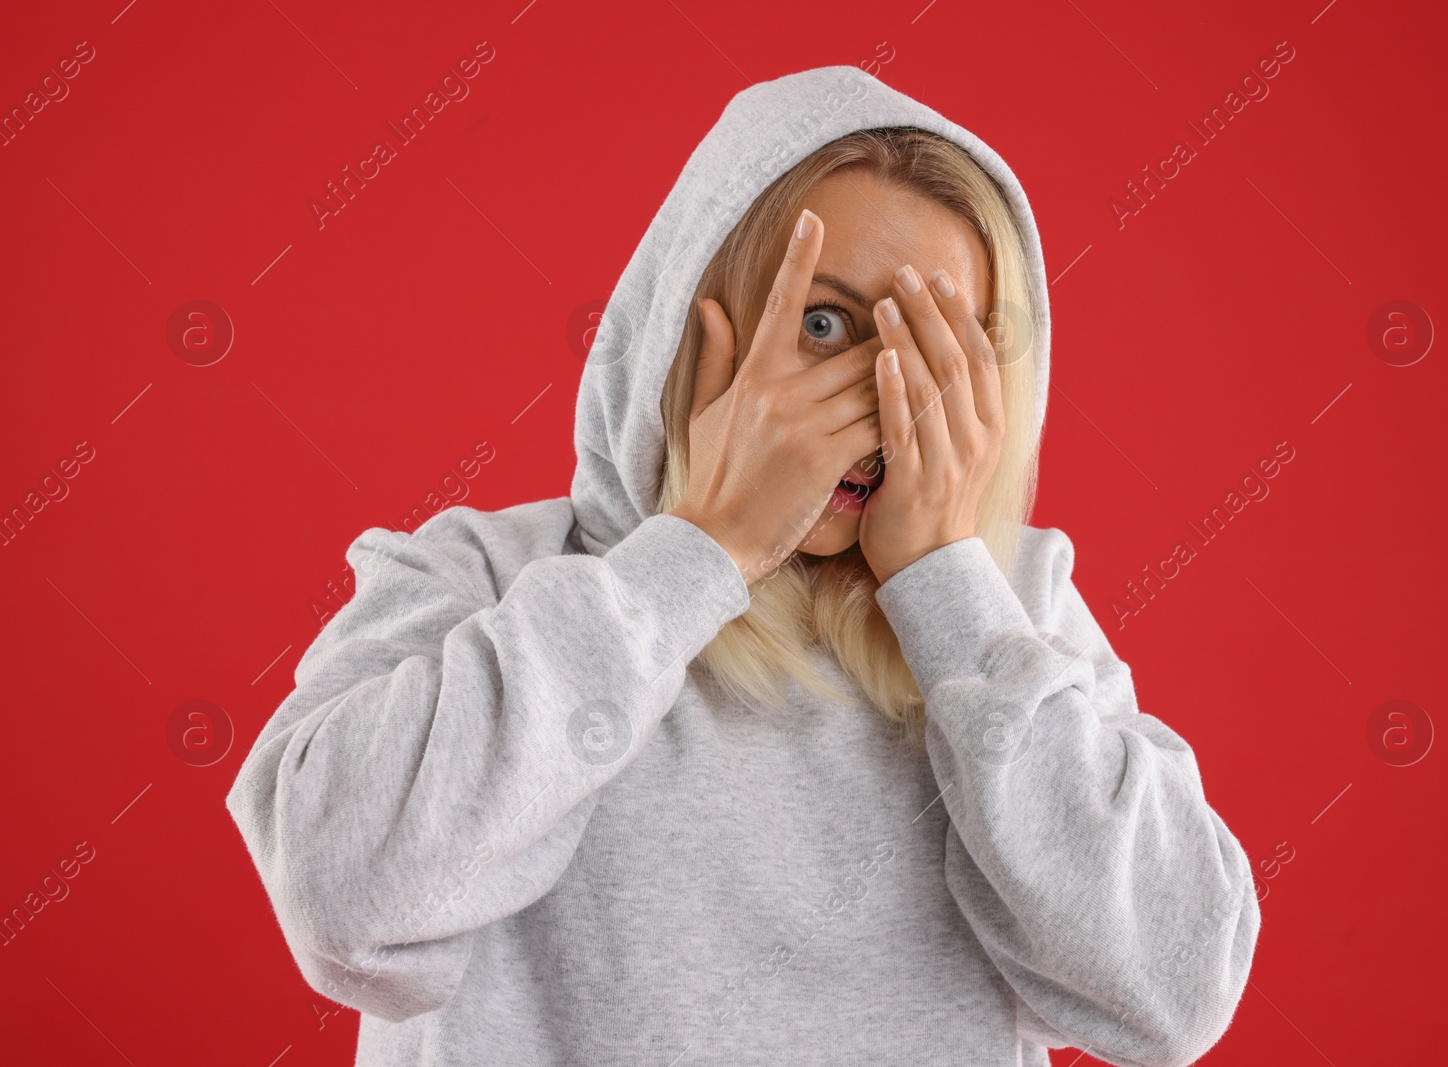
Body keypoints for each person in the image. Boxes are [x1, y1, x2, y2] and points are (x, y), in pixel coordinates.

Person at [225, 65, 1260, 1067]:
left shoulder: (1015, 622)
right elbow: (341, 898)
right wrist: (701, 547)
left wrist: (947, 586)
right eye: (822, 323)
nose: (875, 407)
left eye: (935, 354)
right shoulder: (479, 576)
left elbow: (1171, 995)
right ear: (692, 317)